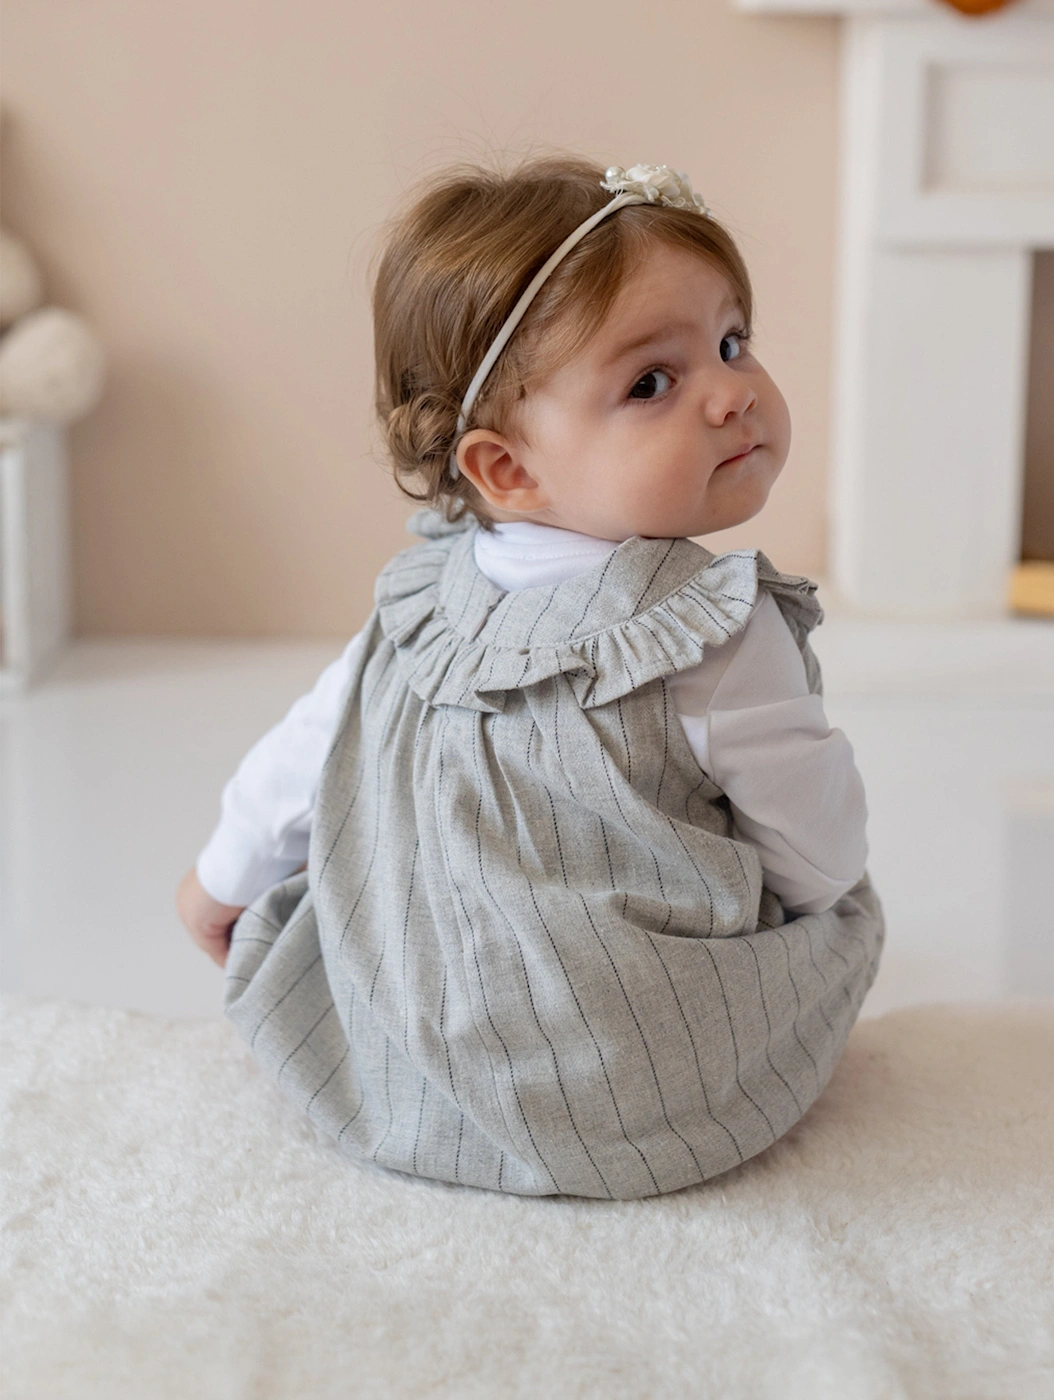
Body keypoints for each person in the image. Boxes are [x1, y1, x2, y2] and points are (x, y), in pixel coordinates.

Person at [177, 157, 884, 1199]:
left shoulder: (419, 608)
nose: (733, 392)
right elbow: (817, 839)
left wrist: (221, 877)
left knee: (340, 883)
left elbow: (305, 755)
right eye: (653, 381)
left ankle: (440, 1100)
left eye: (731, 342)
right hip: (637, 1081)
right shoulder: (712, 629)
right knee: (844, 912)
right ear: (506, 468)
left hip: (425, 1048)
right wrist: (823, 908)